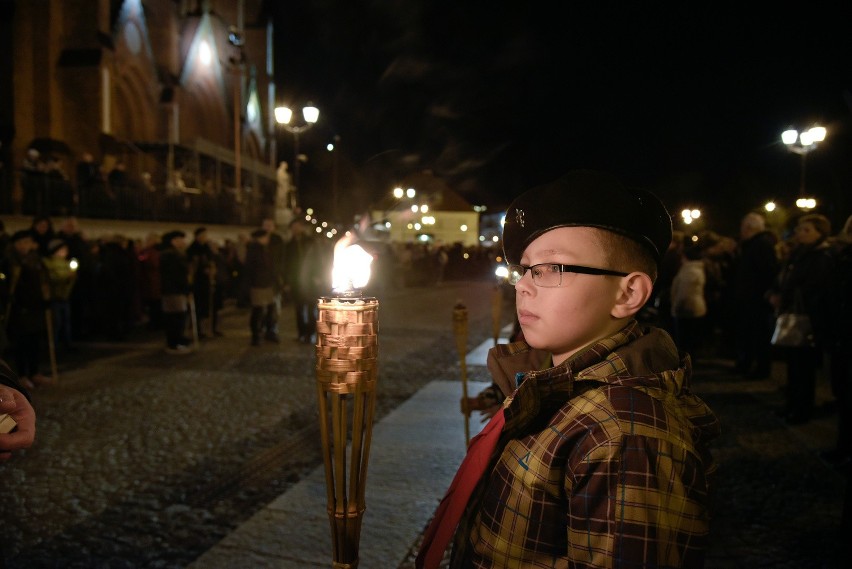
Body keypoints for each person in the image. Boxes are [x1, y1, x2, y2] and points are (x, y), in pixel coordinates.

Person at [417, 170, 720, 569]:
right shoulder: (557, 386)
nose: (523, 286)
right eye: (525, 269)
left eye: (551, 268)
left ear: (628, 293)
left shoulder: (626, 433)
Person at [768, 213, 834, 425]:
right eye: (800, 229)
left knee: (803, 367)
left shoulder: (820, 256)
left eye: (807, 230)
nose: (801, 234)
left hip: (808, 318)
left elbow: (814, 287)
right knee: (794, 366)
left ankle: (802, 409)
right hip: (795, 313)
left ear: (819, 233)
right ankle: (792, 405)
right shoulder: (800, 253)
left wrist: (786, 296)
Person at [0, 230, 52, 389]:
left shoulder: (36, 260)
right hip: (18, 307)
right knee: (21, 342)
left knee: (34, 341)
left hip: (35, 306)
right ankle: (22, 375)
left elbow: (44, 280)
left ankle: (34, 372)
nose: (25, 246)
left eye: (27, 242)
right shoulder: (9, 261)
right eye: (21, 242)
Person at [732, 212, 779, 378]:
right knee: (750, 333)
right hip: (751, 298)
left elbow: (767, 272)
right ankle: (748, 364)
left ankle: (760, 368)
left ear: (749, 228)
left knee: (758, 334)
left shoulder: (760, 245)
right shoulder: (754, 245)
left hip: (756, 299)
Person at [670, 241, 708, 360]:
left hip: (687, 310)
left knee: (685, 340)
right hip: (695, 307)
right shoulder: (693, 269)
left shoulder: (689, 271)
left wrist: (677, 307)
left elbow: (684, 294)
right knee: (691, 338)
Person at [159, 230, 193, 354]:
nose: (183, 242)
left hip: (173, 290)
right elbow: (177, 275)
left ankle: (176, 341)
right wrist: (186, 288)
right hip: (173, 290)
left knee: (177, 316)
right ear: (173, 241)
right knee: (175, 317)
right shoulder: (172, 255)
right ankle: (174, 343)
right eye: (180, 239)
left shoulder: (172, 254)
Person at [244, 228, 277, 346]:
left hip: (266, 283)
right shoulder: (254, 249)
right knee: (257, 311)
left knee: (269, 309)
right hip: (258, 284)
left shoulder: (264, 249)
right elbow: (250, 268)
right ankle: (256, 335)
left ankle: (267, 332)